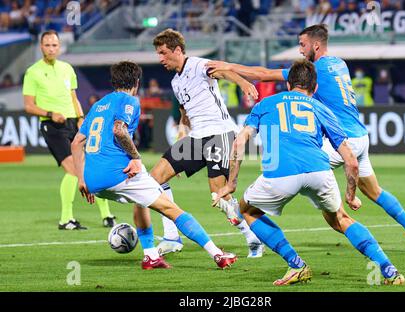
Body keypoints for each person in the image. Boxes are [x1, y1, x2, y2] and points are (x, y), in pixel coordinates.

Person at [206, 24, 405, 253]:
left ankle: (359, 242)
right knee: (374, 191)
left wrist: (227, 66)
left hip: (342, 140)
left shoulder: (316, 70)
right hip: (360, 137)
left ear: (315, 44)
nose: (300, 51)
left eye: (302, 45)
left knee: (306, 177)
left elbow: (264, 74)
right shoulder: (339, 64)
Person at [213, 60, 405, 286]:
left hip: (279, 175)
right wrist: (351, 195)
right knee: (341, 219)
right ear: (314, 89)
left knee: (247, 210)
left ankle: (296, 265)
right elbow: (351, 161)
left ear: (287, 84)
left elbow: (238, 143)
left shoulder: (265, 104)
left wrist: (231, 184)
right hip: (319, 171)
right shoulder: (322, 109)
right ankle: (389, 270)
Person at [71, 61, 237, 270]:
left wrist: (81, 179)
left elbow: (77, 142)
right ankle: (218, 255)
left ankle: (150, 255)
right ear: (137, 82)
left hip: (93, 181)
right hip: (119, 174)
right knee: (172, 209)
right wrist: (136, 157)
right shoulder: (129, 100)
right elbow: (119, 130)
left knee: (141, 201)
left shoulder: (98, 105)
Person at [150, 28, 265, 258]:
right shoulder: (175, 82)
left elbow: (224, 70)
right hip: (195, 137)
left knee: (218, 195)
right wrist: (181, 143)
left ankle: (252, 236)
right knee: (154, 180)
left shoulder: (198, 65)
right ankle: (172, 237)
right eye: (158, 54)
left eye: (163, 53)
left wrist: (243, 83)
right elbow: (185, 115)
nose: (160, 58)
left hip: (219, 134)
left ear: (177, 50)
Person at [23, 30, 115, 230]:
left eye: (54, 45)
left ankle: (107, 216)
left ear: (59, 46)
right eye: (47, 45)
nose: (51, 48)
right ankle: (65, 219)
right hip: (52, 126)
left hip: (73, 122)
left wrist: (82, 118)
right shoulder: (33, 72)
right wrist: (50, 113)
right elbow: (29, 105)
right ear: (41, 47)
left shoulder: (67, 69)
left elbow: (74, 98)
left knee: (89, 168)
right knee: (74, 171)